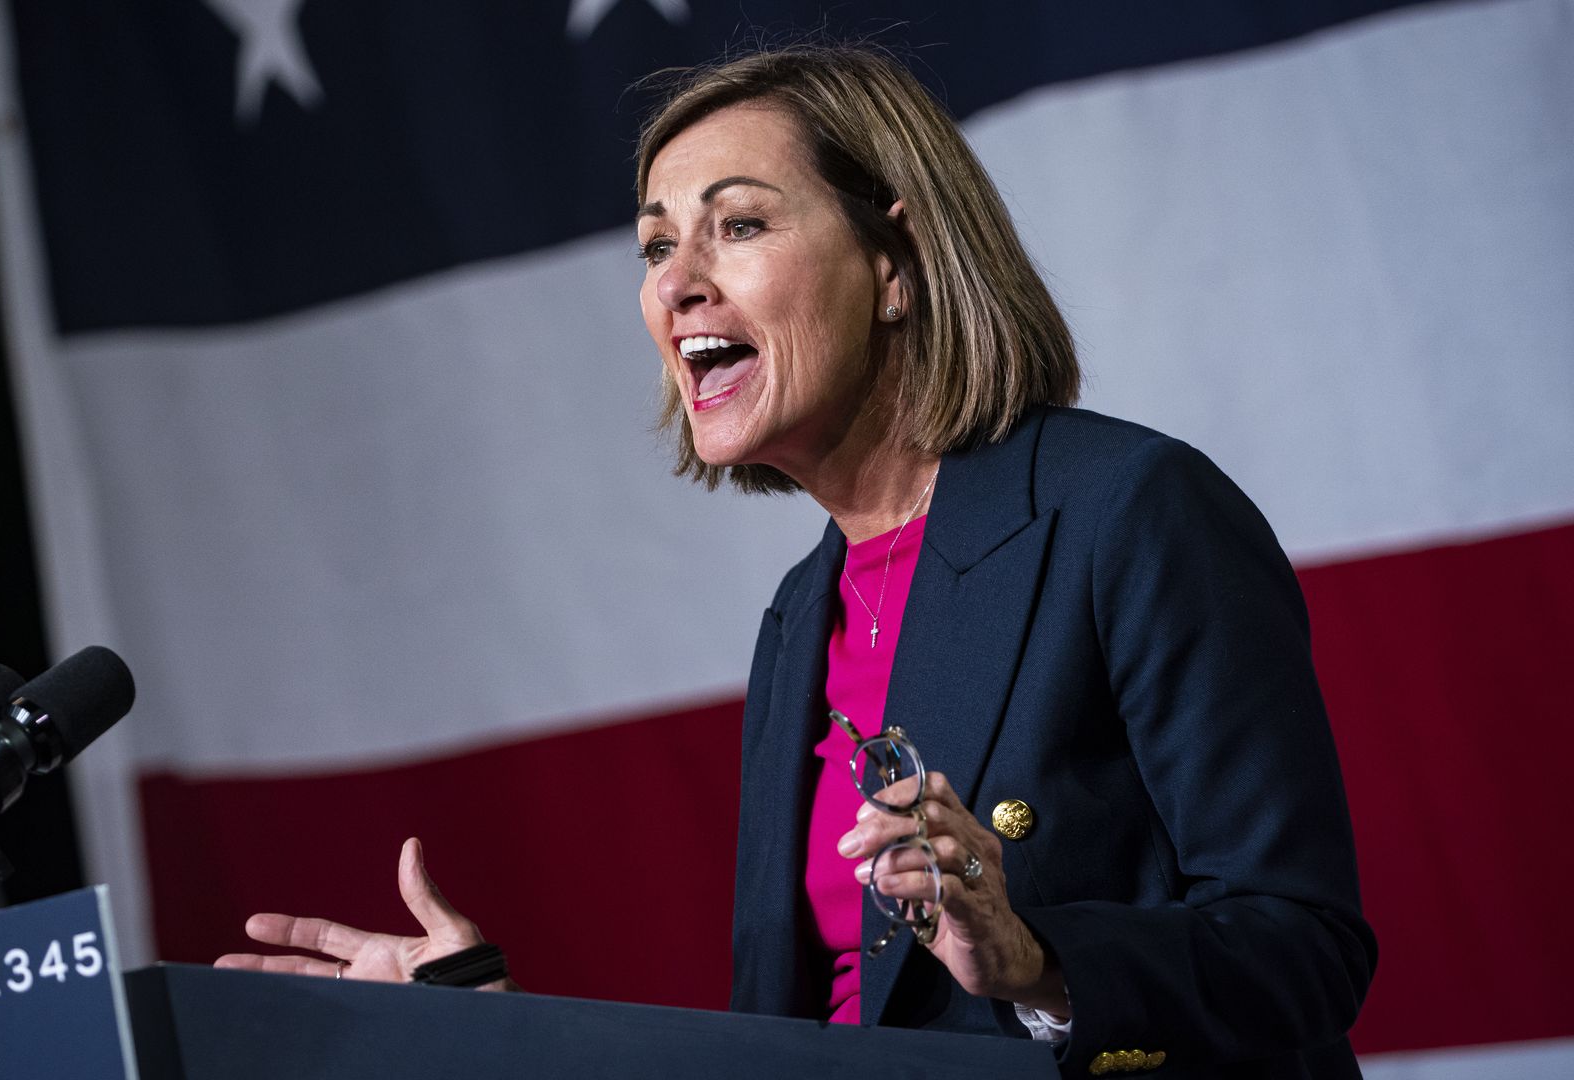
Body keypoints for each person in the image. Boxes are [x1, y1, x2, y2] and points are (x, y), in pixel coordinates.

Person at [216, 45, 1375, 1077]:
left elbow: (1304, 950)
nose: (676, 284)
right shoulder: (799, 616)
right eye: (657, 245)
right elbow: (782, 1046)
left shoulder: (1126, 511)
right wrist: (492, 1027)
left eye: (740, 224)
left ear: (896, 264)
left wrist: (1034, 959)